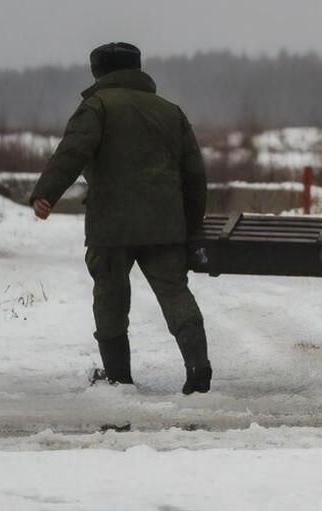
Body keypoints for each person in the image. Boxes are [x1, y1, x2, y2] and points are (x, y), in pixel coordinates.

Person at [30, 42, 212, 394]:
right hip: (164, 224)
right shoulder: (169, 111)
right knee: (175, 293)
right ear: (137, 68)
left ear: (99, 72)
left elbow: (73, 151)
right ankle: (197, 367)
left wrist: (46, 194)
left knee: (110, 297)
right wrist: (189, 222)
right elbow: (194, 174)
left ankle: (118, 377)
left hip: (111, 225)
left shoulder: (96, 107)